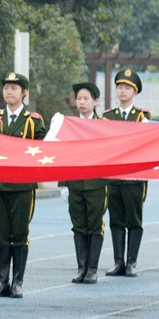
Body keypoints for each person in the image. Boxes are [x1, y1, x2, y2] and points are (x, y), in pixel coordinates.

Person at [0, 72, 47, 299]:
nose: (9, 92)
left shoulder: (34, 121)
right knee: (1, 234)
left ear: (24, 92)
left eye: (14, 88)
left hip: (23, 186)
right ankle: (2, 281)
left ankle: (17, 281)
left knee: (20, 234)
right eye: (6, 88)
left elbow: (43, 148)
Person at [102, 69, 151, 277]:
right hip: (113, 177)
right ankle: (118, 261)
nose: (123, 91)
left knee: (134, 219)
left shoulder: (142, 117)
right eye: (120, 87)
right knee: (116, 219)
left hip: (134, 177)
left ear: (135, 91)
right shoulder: (107, 117)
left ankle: (131, 262)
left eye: (127, 88)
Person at [59, 82, 109, 284]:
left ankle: (92, 269)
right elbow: (64, 154)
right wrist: (63, 183)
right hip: (75, 183)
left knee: (94, 226)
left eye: (86, 98)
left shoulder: (103, 124)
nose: (81, 102)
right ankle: (81, 267)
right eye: (78, 98)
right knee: (78, 226)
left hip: (97, 184)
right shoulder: (70, 124)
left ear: (95, 101)